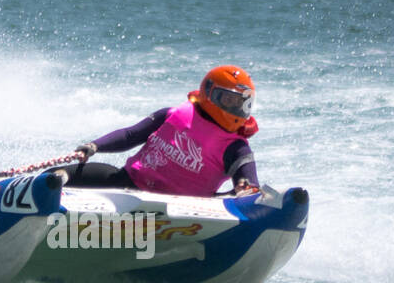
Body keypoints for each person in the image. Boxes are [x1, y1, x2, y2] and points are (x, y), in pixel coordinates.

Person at [65, 65, 262, 196]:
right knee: (55, 178)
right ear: (209, 92)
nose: (235, 109)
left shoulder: (235, 147)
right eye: (229, 101)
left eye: (242, 104)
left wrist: (243, 189)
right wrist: (93, 146)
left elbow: (250, 186)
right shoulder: (172, 114)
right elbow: (130, 135)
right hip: (129, 184)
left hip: (184, 212)